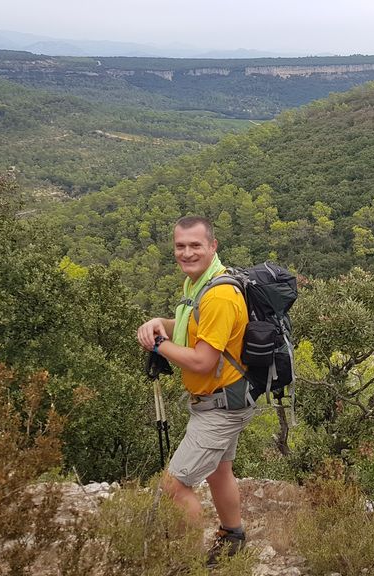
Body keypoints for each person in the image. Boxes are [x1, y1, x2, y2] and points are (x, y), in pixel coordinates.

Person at [136, 215, 253, 562]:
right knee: (219, 470)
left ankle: (187, 563)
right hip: (226, 398)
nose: (186, 253)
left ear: (212, 246)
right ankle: (233, 536)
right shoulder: (201, 282)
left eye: (195, 245)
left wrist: (157, 346)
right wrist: (164, 325)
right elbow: (192, 326)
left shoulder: (218, 295)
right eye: (180, 246)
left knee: (176, 486)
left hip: (219, 407)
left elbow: (202, 361)